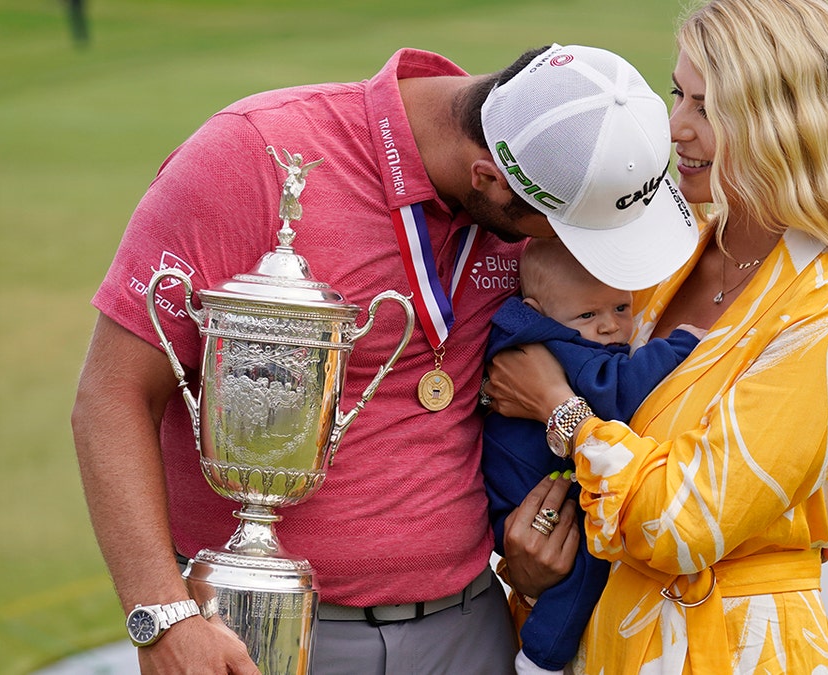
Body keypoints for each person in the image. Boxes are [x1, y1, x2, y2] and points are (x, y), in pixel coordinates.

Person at [71, 43, 697, 674]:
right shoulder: (254, 156)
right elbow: (113, 394)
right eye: (565, 230)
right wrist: (161, 617)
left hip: (472, 622)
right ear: (489, 179)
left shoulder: (542, 170)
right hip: (269, 632)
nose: (574, 252)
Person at [484, 1, 828, 672]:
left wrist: (562, 411)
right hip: (602, 641)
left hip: (733, 650)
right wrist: (529, 565)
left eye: (706, 107)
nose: (675, 127)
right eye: (678, 94)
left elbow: (680, 521)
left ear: (783, 124)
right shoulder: (660, 261)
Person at [481, 238, 704, 675]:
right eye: (588, 314)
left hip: (516, 484)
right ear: (536, 307)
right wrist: (680, 346)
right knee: (591, 561)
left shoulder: (531, 329)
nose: (609, 327)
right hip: (532, 494)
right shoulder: (560, 345)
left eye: (621, 308)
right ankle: (540, 658)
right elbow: (616, 391)